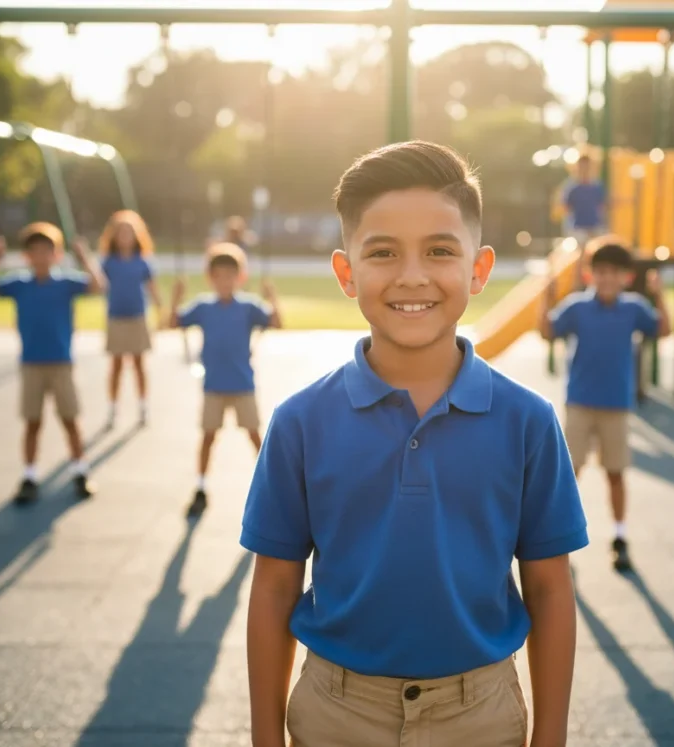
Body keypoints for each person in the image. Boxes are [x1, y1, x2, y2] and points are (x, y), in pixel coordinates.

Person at [242, 141, 588, 747]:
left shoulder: (527, 421)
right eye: (382, 252)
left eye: (439, 251)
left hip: (481, 714)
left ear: (478, 270)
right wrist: (265, 736)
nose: (411, 275)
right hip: (335, 712)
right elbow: (274, 587)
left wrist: (551, 738)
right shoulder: (299, 422)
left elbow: (550, 588)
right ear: (346, 273)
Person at [540, 237, 670, 573]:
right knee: (570, 474)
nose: (607, 278)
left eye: (614, 272)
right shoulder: (577, 307)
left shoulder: (633, 308)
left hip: (615, 405)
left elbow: (663, 330)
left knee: (615, 473)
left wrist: (660, 295)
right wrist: (546, 295)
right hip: (580, 403)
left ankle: (619, 536)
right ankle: (559, 542)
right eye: (601, 272)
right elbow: (547, 332)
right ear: (589, 275)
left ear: (626, 276)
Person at [0, 222, 106, 505]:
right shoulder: (19, 285)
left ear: (56, 254)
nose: (40, 256)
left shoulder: (66, 283)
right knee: (32, 422)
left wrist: (85, 259)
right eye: (34, 251)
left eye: (46, 251)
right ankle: (30, 476)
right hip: (31, 364)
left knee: (71, 420)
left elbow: (98, 286)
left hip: (61, 363)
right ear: (27, 256)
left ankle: (79, 470)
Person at [167, 242, 281, 519]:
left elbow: (276, 322)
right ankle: (201, 487)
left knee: (255, 436)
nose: (225, 281)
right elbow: (173, 323)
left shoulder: (249, 307)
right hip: (214, 386)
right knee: (208, 437)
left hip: (243, 384)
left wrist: (272, 298)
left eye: (230, 275)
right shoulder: (204, 307)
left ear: (240, 277)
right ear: (211, 278)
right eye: (219, 276)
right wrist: (176, 298)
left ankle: (274, 489)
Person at [99, 209, 162, 427]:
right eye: (121, 232)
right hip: (116, 318)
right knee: (116, 365)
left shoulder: (142, 262)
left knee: (138, 364)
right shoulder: (108, 262)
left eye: (129, 232)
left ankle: (143, 406)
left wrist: (160, 308)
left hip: (137, 317)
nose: (125, 237)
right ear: (114, 236)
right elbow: (98, 284)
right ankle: (113, 408)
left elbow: (152, 288)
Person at [558, 154, 606, 248]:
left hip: (595, 226)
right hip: (578, 227)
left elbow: (602, 205)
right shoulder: (571, 187)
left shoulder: (597, 187)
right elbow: (566, 207)